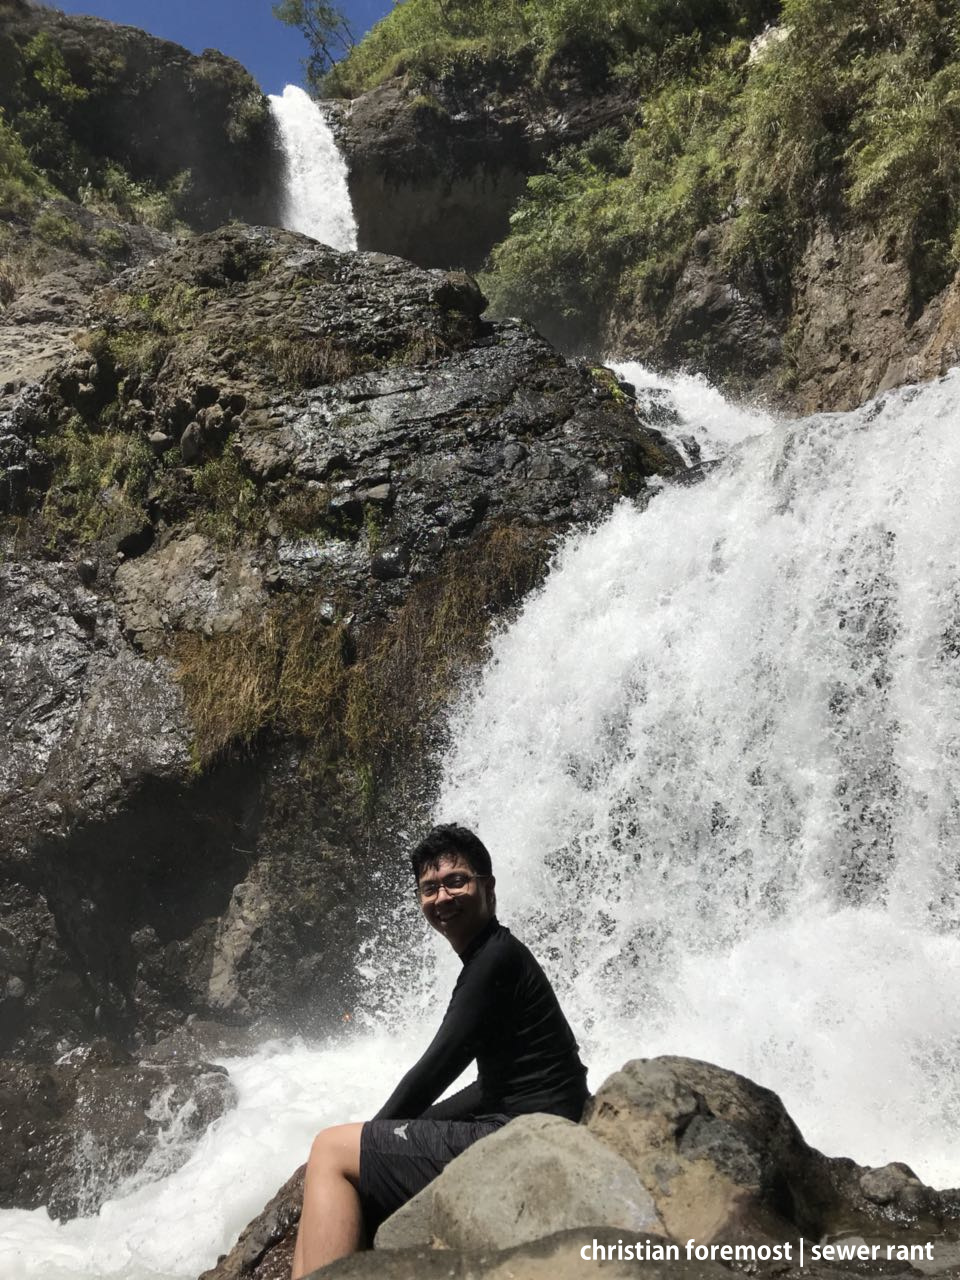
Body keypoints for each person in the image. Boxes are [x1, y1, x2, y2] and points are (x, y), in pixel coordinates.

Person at [290, 823, 589, 1278]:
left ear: (487, 887)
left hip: (525, 1139)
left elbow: (434, 1070)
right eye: (429, 888)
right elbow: (494, 1082)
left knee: (331, 1150)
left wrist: (375, 1135)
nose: (442, 898)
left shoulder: (493, 962)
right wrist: (408, 1131)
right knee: (351, 1150)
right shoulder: (496, 954)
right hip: (536, 1124)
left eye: (456, 881)